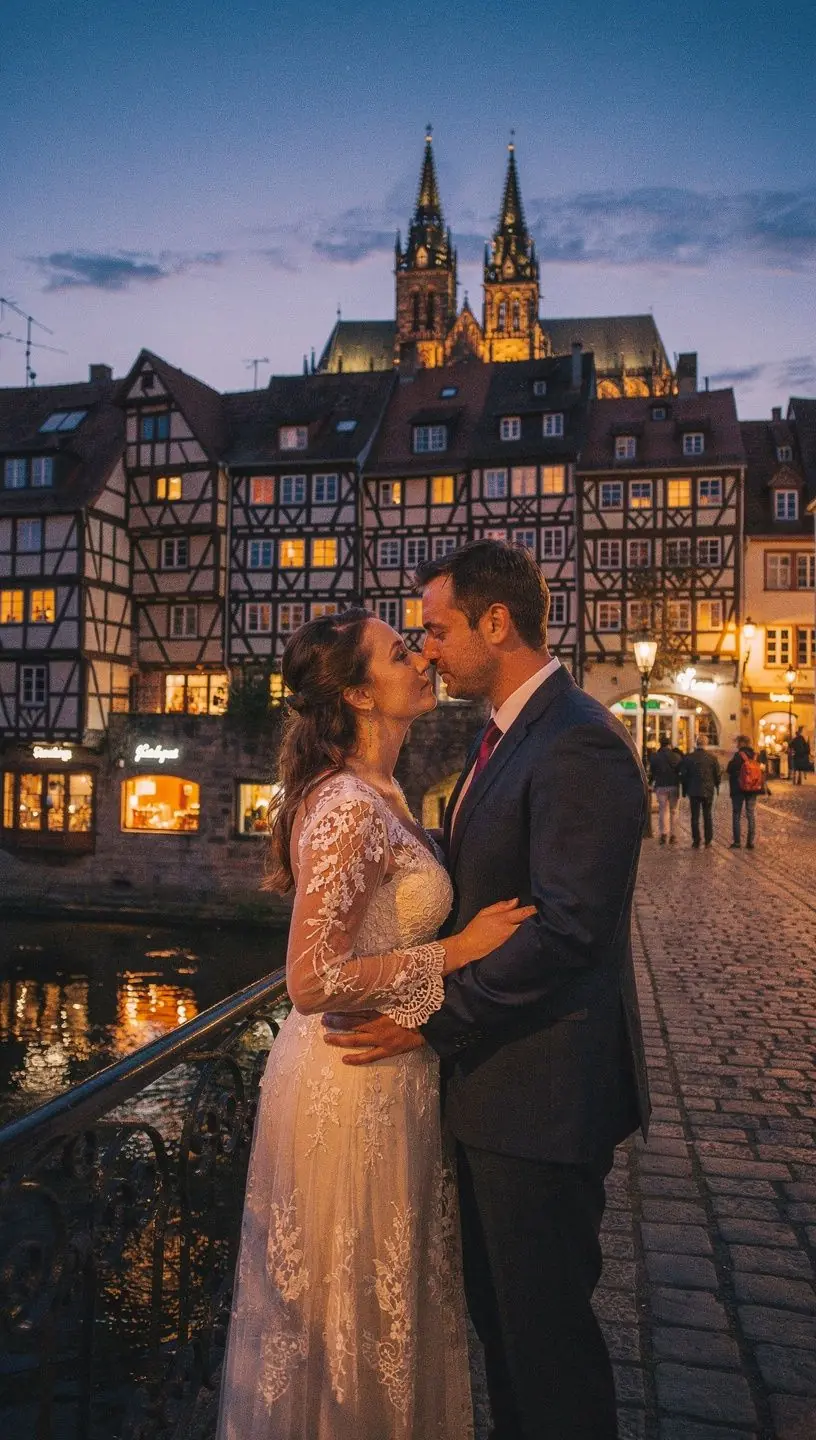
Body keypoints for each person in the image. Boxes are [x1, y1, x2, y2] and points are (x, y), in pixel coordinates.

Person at [325, 541, 650, 1440]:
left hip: (541, 1097)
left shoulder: (578, 738)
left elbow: (568, 930)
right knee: (506, 1332)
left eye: (435, 629)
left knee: (544, 1346)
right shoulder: (504, 732)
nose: (425, 650)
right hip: (500, 1093)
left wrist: (431, 1021)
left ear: (496, 623)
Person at [215, 608, 534, 1440]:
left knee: (387, 1304)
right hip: (346, 1086)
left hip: (390, 1072)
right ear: (359, 694)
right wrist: (459, 951)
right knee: (346, 1309)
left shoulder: (387, 791)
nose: (422, 655)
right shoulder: (351, 806)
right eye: (402, 653)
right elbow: (312, 980)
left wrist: (428, 1011)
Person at [678, 734, 721, 848]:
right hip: (708, 790)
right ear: (706, 744)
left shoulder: (689, 757)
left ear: (696, 744)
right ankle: (708, 840)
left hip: (693, 790)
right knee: (707, 815)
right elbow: (717, 774)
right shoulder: (712, 758)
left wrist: (685, 789)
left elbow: (684, 775)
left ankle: (696, 840)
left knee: (695, 816)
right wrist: (717, 786)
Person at [726, 734, 762, 849]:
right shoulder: (756, 756)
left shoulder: (738, 756)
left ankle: (737, 842)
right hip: (753, 789)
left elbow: (729, 769)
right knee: (750, 814)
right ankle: (750, 842)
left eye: (738, 742)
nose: (737, 745)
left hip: (738, 789)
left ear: (741, 743)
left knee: (736, 814)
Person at [649, 736, 681, 844]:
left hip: (661, 785)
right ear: (669, 745)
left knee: (663, 810)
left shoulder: (655, 757)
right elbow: (679, 770)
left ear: (660, 744)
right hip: (673, 785)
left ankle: (663, 833)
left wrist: (652, 782)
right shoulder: (676, 756)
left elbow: (652, 772)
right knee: (674, 811)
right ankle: (674, 835)